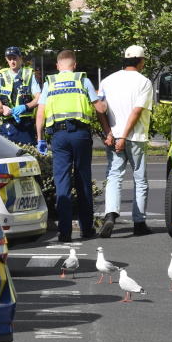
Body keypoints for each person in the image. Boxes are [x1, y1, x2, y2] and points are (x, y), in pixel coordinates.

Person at [36, 50, 111, 243]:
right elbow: (100, 109)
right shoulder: (82, 81)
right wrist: (107, 130)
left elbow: (40, 113)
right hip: (80, 135)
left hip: (59, 137)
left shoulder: (49, 83)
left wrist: (40, 139)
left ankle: (65, 232)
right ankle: (86, 229)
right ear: (74, 65)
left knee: (62, 184)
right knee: (83, 180)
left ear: (58, 66)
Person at [97, 45, 154, 237]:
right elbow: (137, 111)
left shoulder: (107, 80)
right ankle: (139, 223)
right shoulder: (144, 82)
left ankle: (110, 215)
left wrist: (110, 134)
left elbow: (100, 109)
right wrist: (125, 136)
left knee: (114, 177)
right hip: (136, 137)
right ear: (140, 61)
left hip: (113, 137)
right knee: (140, 180)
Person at [0, 46, 41, 145]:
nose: (12, 62)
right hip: (8, 124)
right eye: (9, 59)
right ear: (6, 59)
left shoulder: (29, 75)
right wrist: (2, 107)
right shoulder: (1, 77)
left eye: (14, 58)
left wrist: (26, 106)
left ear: (20, 58)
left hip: (26, 125)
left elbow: (39, 97)